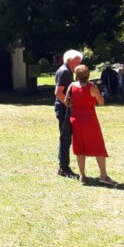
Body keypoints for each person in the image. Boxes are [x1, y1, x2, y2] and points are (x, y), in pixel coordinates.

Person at [64, 64, 115, 185]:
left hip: (75, 119)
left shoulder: (71, 86)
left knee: (79, 146)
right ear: (88, 74)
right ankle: (103, 175)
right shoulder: (92, 87)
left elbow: (66, 102)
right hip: (90, 120)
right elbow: (101, 102)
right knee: (98, 145)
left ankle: (82, 175)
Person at [54, 49, 82, 179]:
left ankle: (64, 167)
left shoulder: (67, 71)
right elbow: (58, 92)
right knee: (65, 139)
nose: (80, 64)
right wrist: (69, 105)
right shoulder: (65, 71)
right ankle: (64, 168)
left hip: (65, 108)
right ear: (70, 60)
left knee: (66, 138)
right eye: (78, 61)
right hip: (64, 110)